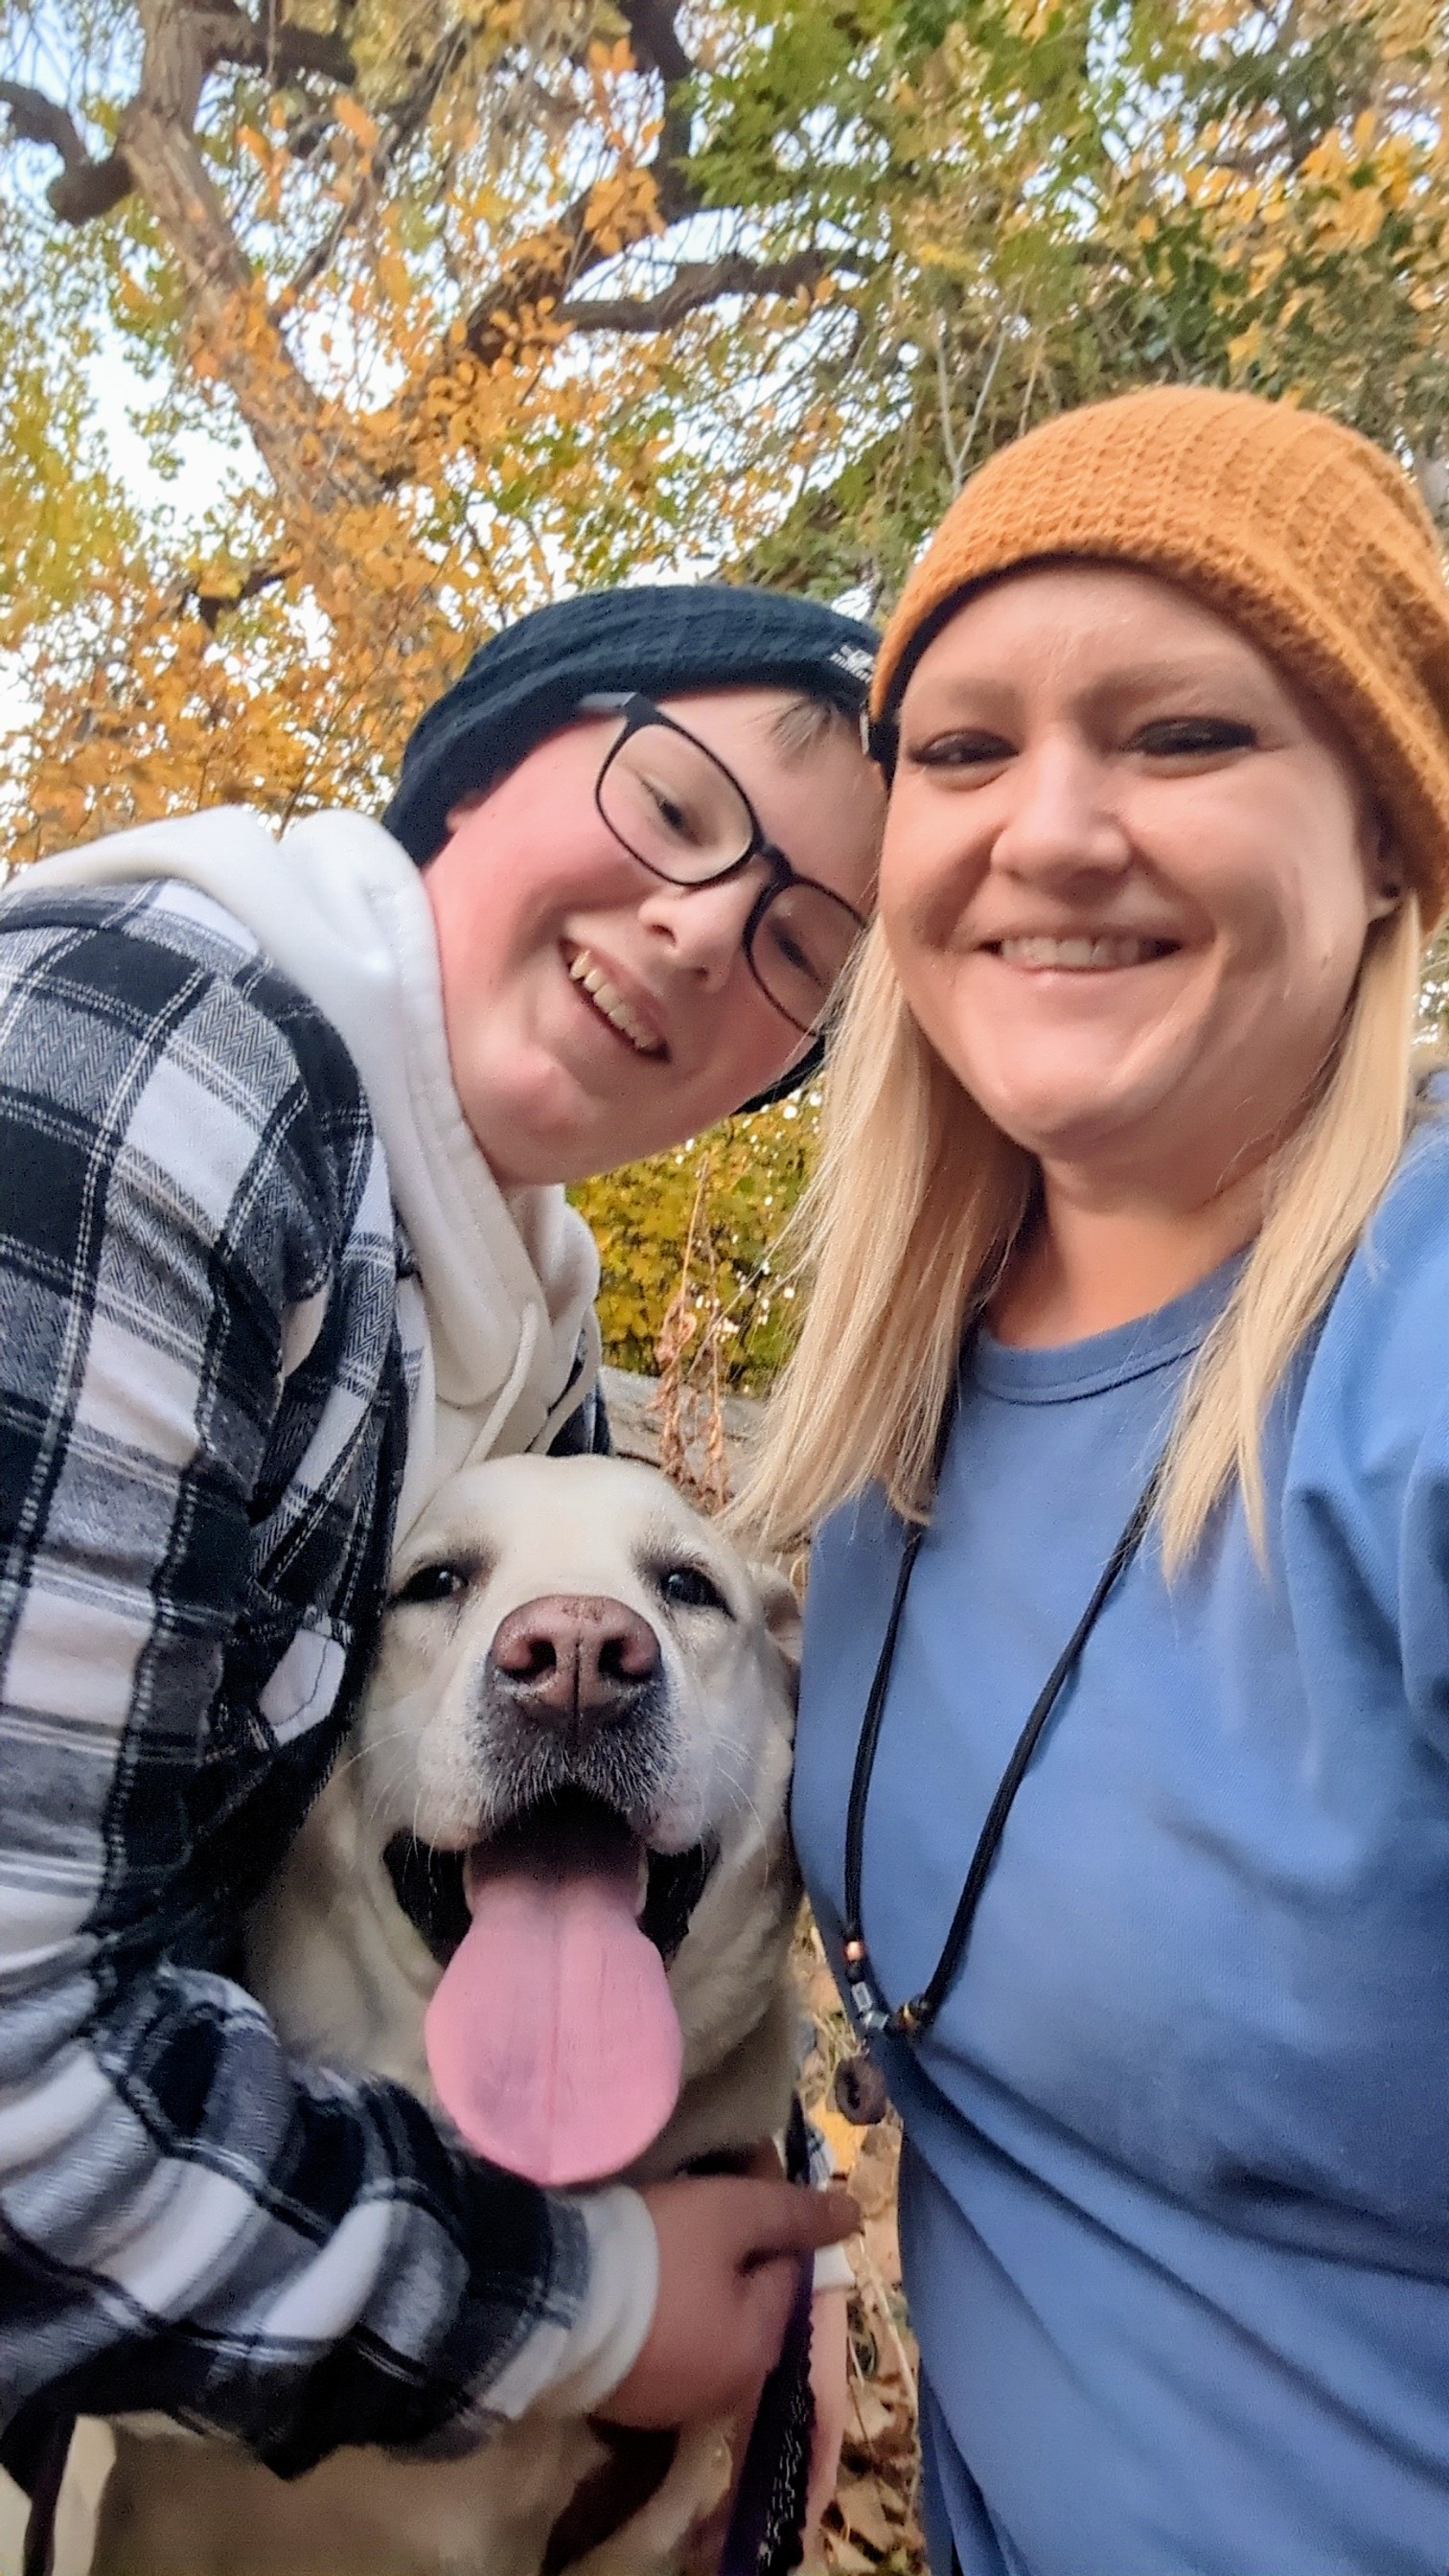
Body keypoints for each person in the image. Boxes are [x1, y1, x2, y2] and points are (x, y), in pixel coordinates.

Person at [0, 584, 878, 2508]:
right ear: (479, 766)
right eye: (676, 803)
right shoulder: (160, 1072)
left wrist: (744, 2194)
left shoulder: (509, 1308)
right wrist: (596, 2307)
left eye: (802, 941)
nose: (703, 928)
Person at [741, 388, 1449, 2575]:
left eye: (1182, 736)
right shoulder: (882, 1423)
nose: (1047, 831)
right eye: (960, 751)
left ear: (1393, 845)